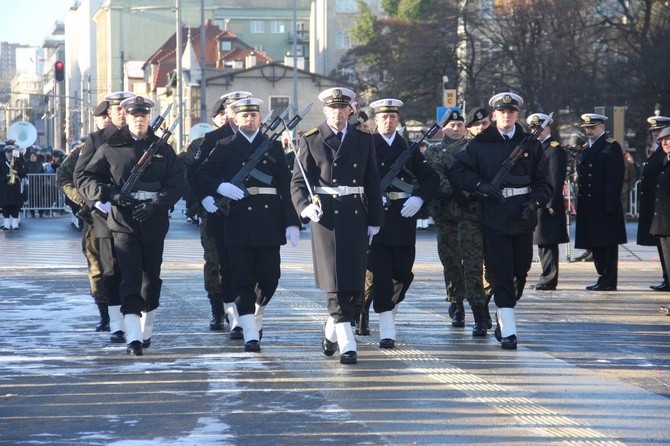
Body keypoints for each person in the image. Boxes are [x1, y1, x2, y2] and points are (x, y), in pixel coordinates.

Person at [192, 97, 301, 352]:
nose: (250, 119)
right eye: (244, 116)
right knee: (241, 278)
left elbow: (286, 186)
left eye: (254, 115)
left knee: (270, 277)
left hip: (268, 222)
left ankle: (257, 313)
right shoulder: (224, 146)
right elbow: (200, 175)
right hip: (237, 222)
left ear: (260, 119)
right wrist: (219, 187)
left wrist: (292, 222)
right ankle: (250, 331)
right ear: (235, 120)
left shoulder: (273, 148)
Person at [79, 95, 184, 356]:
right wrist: (110, 194)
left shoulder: (163, 147)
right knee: (130, 276)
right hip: (123, 221)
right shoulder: (111, 146)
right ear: (126, 116)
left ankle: (146, 329)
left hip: (154, 219)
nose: (139, 120)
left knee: (151, 278)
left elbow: (177, 183)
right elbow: (85, 178)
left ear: (149, 118)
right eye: (135, 116)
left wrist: (157, 203)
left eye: (144, 116)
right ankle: (133, 335)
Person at [447, 92, 551, 349]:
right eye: (502, 112)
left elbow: (544, 182)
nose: (507, 116)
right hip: (494, 213)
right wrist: (480, 185)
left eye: (511, 112)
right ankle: (509, 329)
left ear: (518, 115)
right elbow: (457, 171)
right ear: (494, 115)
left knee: (521, 270)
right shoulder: (481, 143)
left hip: (523, 215)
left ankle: (504, 312)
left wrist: (535, 201)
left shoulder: (531, 144)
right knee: (502, 272)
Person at [291, 87, 384, 364]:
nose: (338, 114)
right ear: (326, 110)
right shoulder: (312, 140)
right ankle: (347, 343)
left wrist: (376, 219)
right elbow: (298, 181)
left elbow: (372, 181)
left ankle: (331, 331)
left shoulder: (363, 139)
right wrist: (304, 207)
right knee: (334, 281)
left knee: (354, 285)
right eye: (333, 109)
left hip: (355, 213)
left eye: (342, 109)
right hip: (327, 217)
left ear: (350, 111)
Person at [360, 98, 438, 348]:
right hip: (377, 220)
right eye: (384, 117)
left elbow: (430, 178)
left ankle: (387, 310)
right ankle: (386, 326)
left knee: (403, 273)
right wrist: (370, 196)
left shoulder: (409, 148)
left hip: (403, 218)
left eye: (393, 117)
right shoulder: (366, 146)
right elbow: (355, 178)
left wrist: (419, 198)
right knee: (381, 274)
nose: (389, 121)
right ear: (375, 120)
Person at [186, 91, 251, 335]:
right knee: (216, 262)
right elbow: (193, 175)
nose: (230, 116)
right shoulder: (211, 139)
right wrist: (204, 198)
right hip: (216, 211)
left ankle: (245, 311)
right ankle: (219, 309)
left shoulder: (257, 137)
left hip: (247, 211)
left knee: (245, 263)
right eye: (225, 112)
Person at [74, 91, 135, 344]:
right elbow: (81, 176)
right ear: (108, 114)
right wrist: (97, 200)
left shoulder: (141, 137)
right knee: (110, 271)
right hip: (105, 215)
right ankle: (116, 324)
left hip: (133, 216)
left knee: (134, 270)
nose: (122, 113)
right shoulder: (96, 139)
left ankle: (135, 319)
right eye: (117, 109)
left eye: (125, 109)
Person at [425, 109, 491, 336]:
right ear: (444, 128)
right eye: (452, 126)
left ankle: (480, 311)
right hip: (446, 217)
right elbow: (434, 176)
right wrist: (454, 190)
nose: (457, 129)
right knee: (451, 263)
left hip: (470, 215)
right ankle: (456, 304)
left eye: (460, 125)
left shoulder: (474, 149)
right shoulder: (434, 152)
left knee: (473, 264)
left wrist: (469, 189)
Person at [56, 100, 112, 331]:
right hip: (94, 219)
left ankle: (126, 314)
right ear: (97, 120)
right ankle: (105, 315)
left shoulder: (131, 146)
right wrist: (85, 200)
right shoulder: (84, 149)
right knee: (98, 269)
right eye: (104, 117)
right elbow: (63, 176)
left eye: (113, 114)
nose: (108, 120)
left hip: (124, 218)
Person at [574, 113, 627, 292]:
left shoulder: (610, 147)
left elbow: (615, 178)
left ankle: (609, 279)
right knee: (595, 244)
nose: (589, 131)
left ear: (602, 128)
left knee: (607, 245)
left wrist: (610, 204)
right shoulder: (586, 148)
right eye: (587, 128)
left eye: (593, 127)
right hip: (590, 206)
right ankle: (602, 277)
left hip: (604, 205)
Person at [528, 113, 569, 291]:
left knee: (548, 242)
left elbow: (554, 178)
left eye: (539, 128)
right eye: (533, 129)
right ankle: (545, 276)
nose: (536, 132)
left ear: (548, 129)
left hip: (548, 202)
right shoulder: (536, 147)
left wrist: (551, 203)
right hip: (538, 201)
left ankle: (549, 279)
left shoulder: (554, 149)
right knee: (542, 242)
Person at [637, 115, 670, 291]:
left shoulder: (662, 154)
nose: (657, 135)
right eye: (655, 132)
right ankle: (667, 278)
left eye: (661, 131)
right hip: (658, 209)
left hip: (665, 210)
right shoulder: (658, 152)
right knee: (662, 248)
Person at [651, 127, 670, 315]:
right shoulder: (666, 160)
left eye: (668, 139)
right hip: (664, 223)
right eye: (662, 140)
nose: (664, 143)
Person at [1, 144, 27, 230]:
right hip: (5, 187)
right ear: (5, 153)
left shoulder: (18, 162)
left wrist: (18, 170)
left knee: (15, 205)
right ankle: (6, 224)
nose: (10, 154)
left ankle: (15, 223)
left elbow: (23, 174)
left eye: (11, 152)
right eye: (8, 152)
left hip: (15, 187)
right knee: (5, 205)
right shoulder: (1, 162)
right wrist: (5, 178)